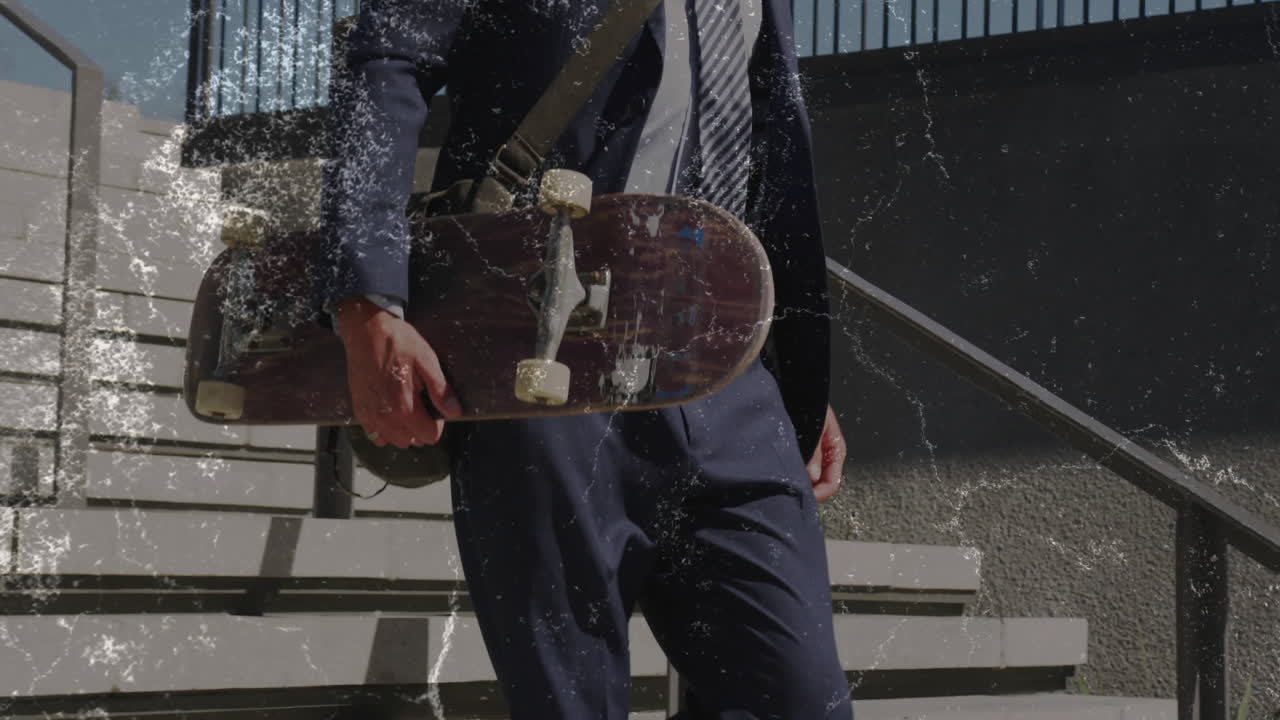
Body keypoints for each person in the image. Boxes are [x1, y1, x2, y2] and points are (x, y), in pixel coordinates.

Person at [321, 0, 852, 716]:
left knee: (799, 699)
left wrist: (780, 359)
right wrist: (366, 301)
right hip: (547, 358)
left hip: (727, 383)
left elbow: (751, 157)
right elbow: (388, 57)